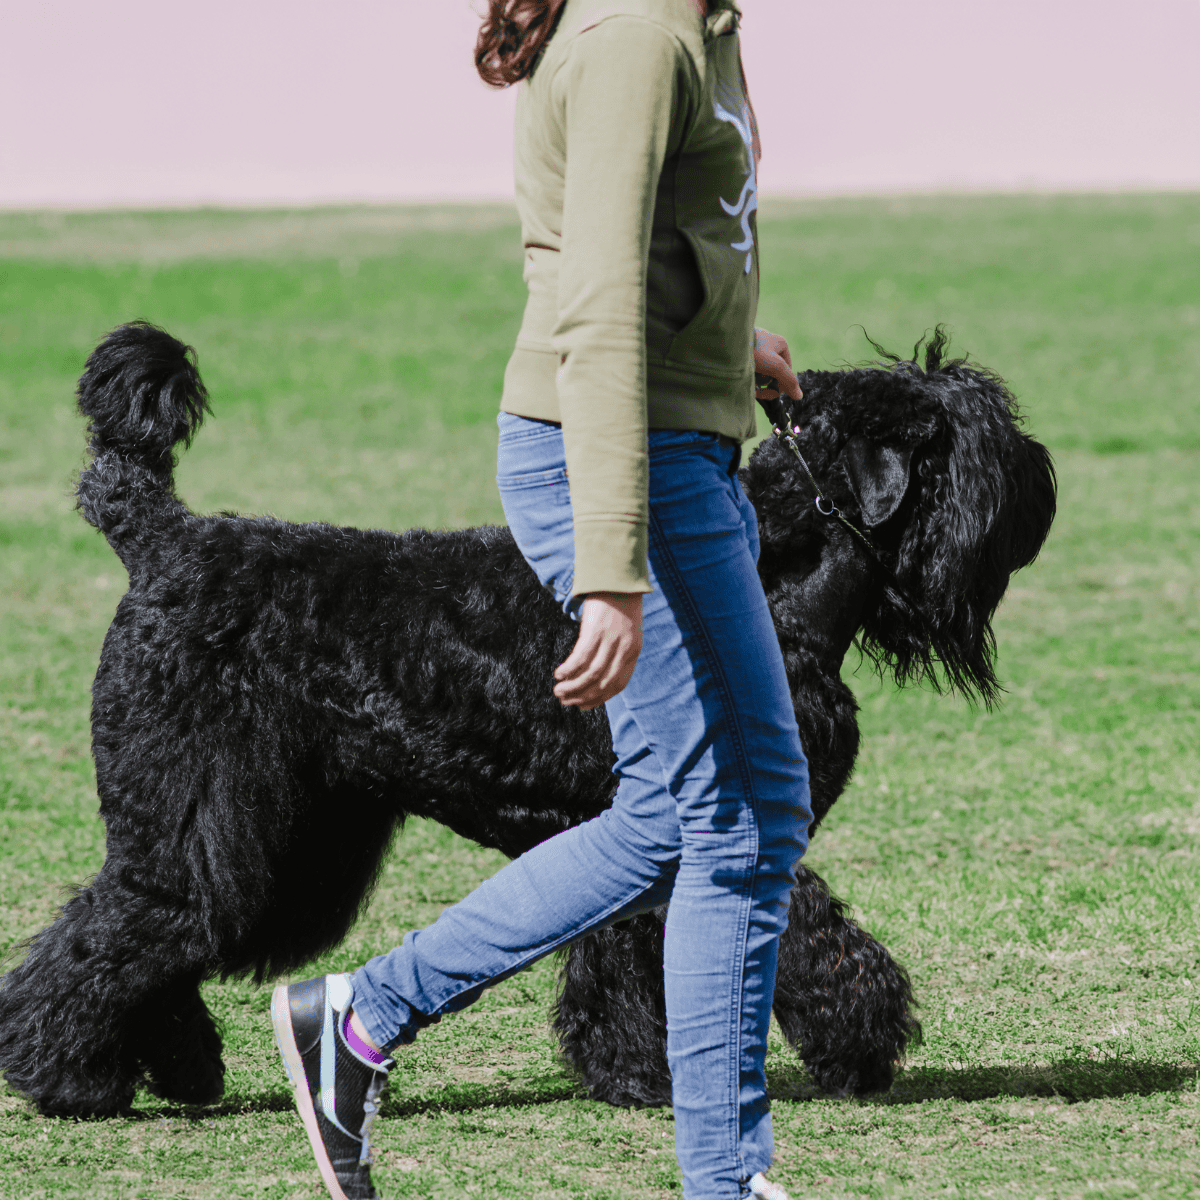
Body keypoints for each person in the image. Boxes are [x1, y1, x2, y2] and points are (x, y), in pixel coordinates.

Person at [271, 1, 812, 1197]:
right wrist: (611, 571)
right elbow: (598, 306)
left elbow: (666, 245)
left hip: (670, 435)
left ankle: (360, 1019)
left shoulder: (692, 20)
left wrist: (732, 350)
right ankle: (727, 1181)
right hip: (621, 461)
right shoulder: (635, 36)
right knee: (745, 814)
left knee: (684, 811)